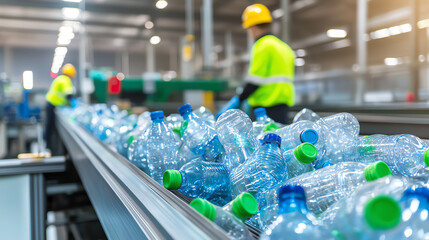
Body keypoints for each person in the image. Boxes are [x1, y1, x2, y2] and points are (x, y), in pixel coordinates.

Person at [217, 4, 295, 124]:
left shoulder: (262, 46)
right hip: (282, 108)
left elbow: (255, 80)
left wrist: (239, 99)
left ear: (253, 28)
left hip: (264, 110)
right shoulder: (284, 48)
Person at [44, 63, 76, 150]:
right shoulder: (65, 80)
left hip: (50, 103)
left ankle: (48, 144)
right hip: (52, 104)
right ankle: (49, 146)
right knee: (50, 125)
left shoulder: (60, 78)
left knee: (49, 125)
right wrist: (73, 105)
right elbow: (68, 95)